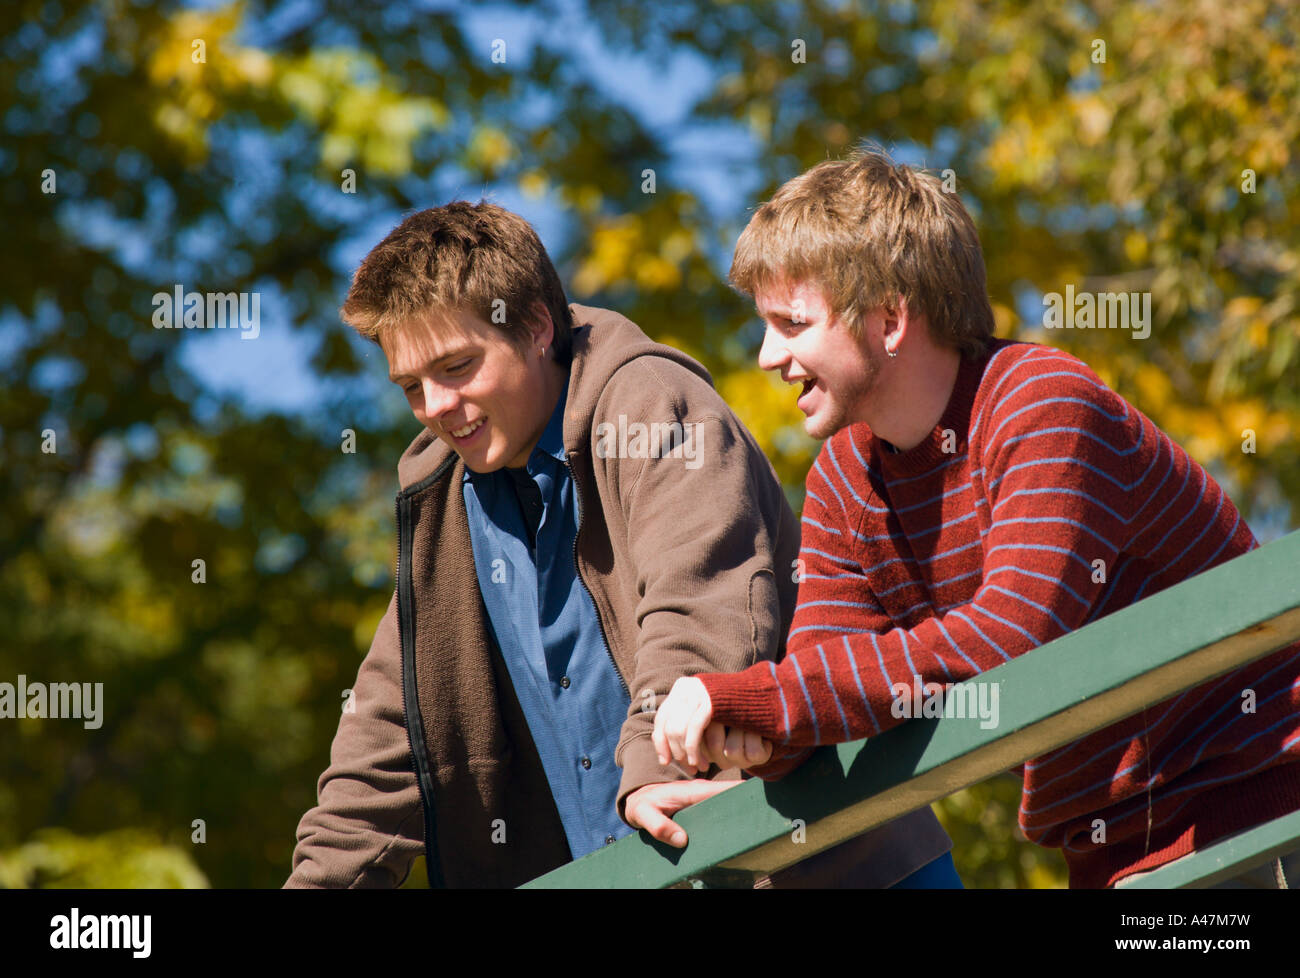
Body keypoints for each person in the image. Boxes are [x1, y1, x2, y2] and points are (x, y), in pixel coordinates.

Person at [653, 147, 1300, 889]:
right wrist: (753, 738)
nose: (768, 355)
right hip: (1115, 861)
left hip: (1261, 823)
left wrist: (767, 700)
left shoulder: (1041, 400)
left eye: (791, 323)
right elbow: (820, 685)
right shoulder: (843, 477)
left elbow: (1008, 639)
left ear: (891, 318)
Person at [285, 200, 953, 887]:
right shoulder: (443, 507)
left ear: (538, 327)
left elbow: (701, 605)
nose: (434, 406)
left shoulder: (650, 404)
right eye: (410, 387)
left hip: (837, 868)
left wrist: (653, 771)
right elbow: (385, 744)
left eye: (456, 367)